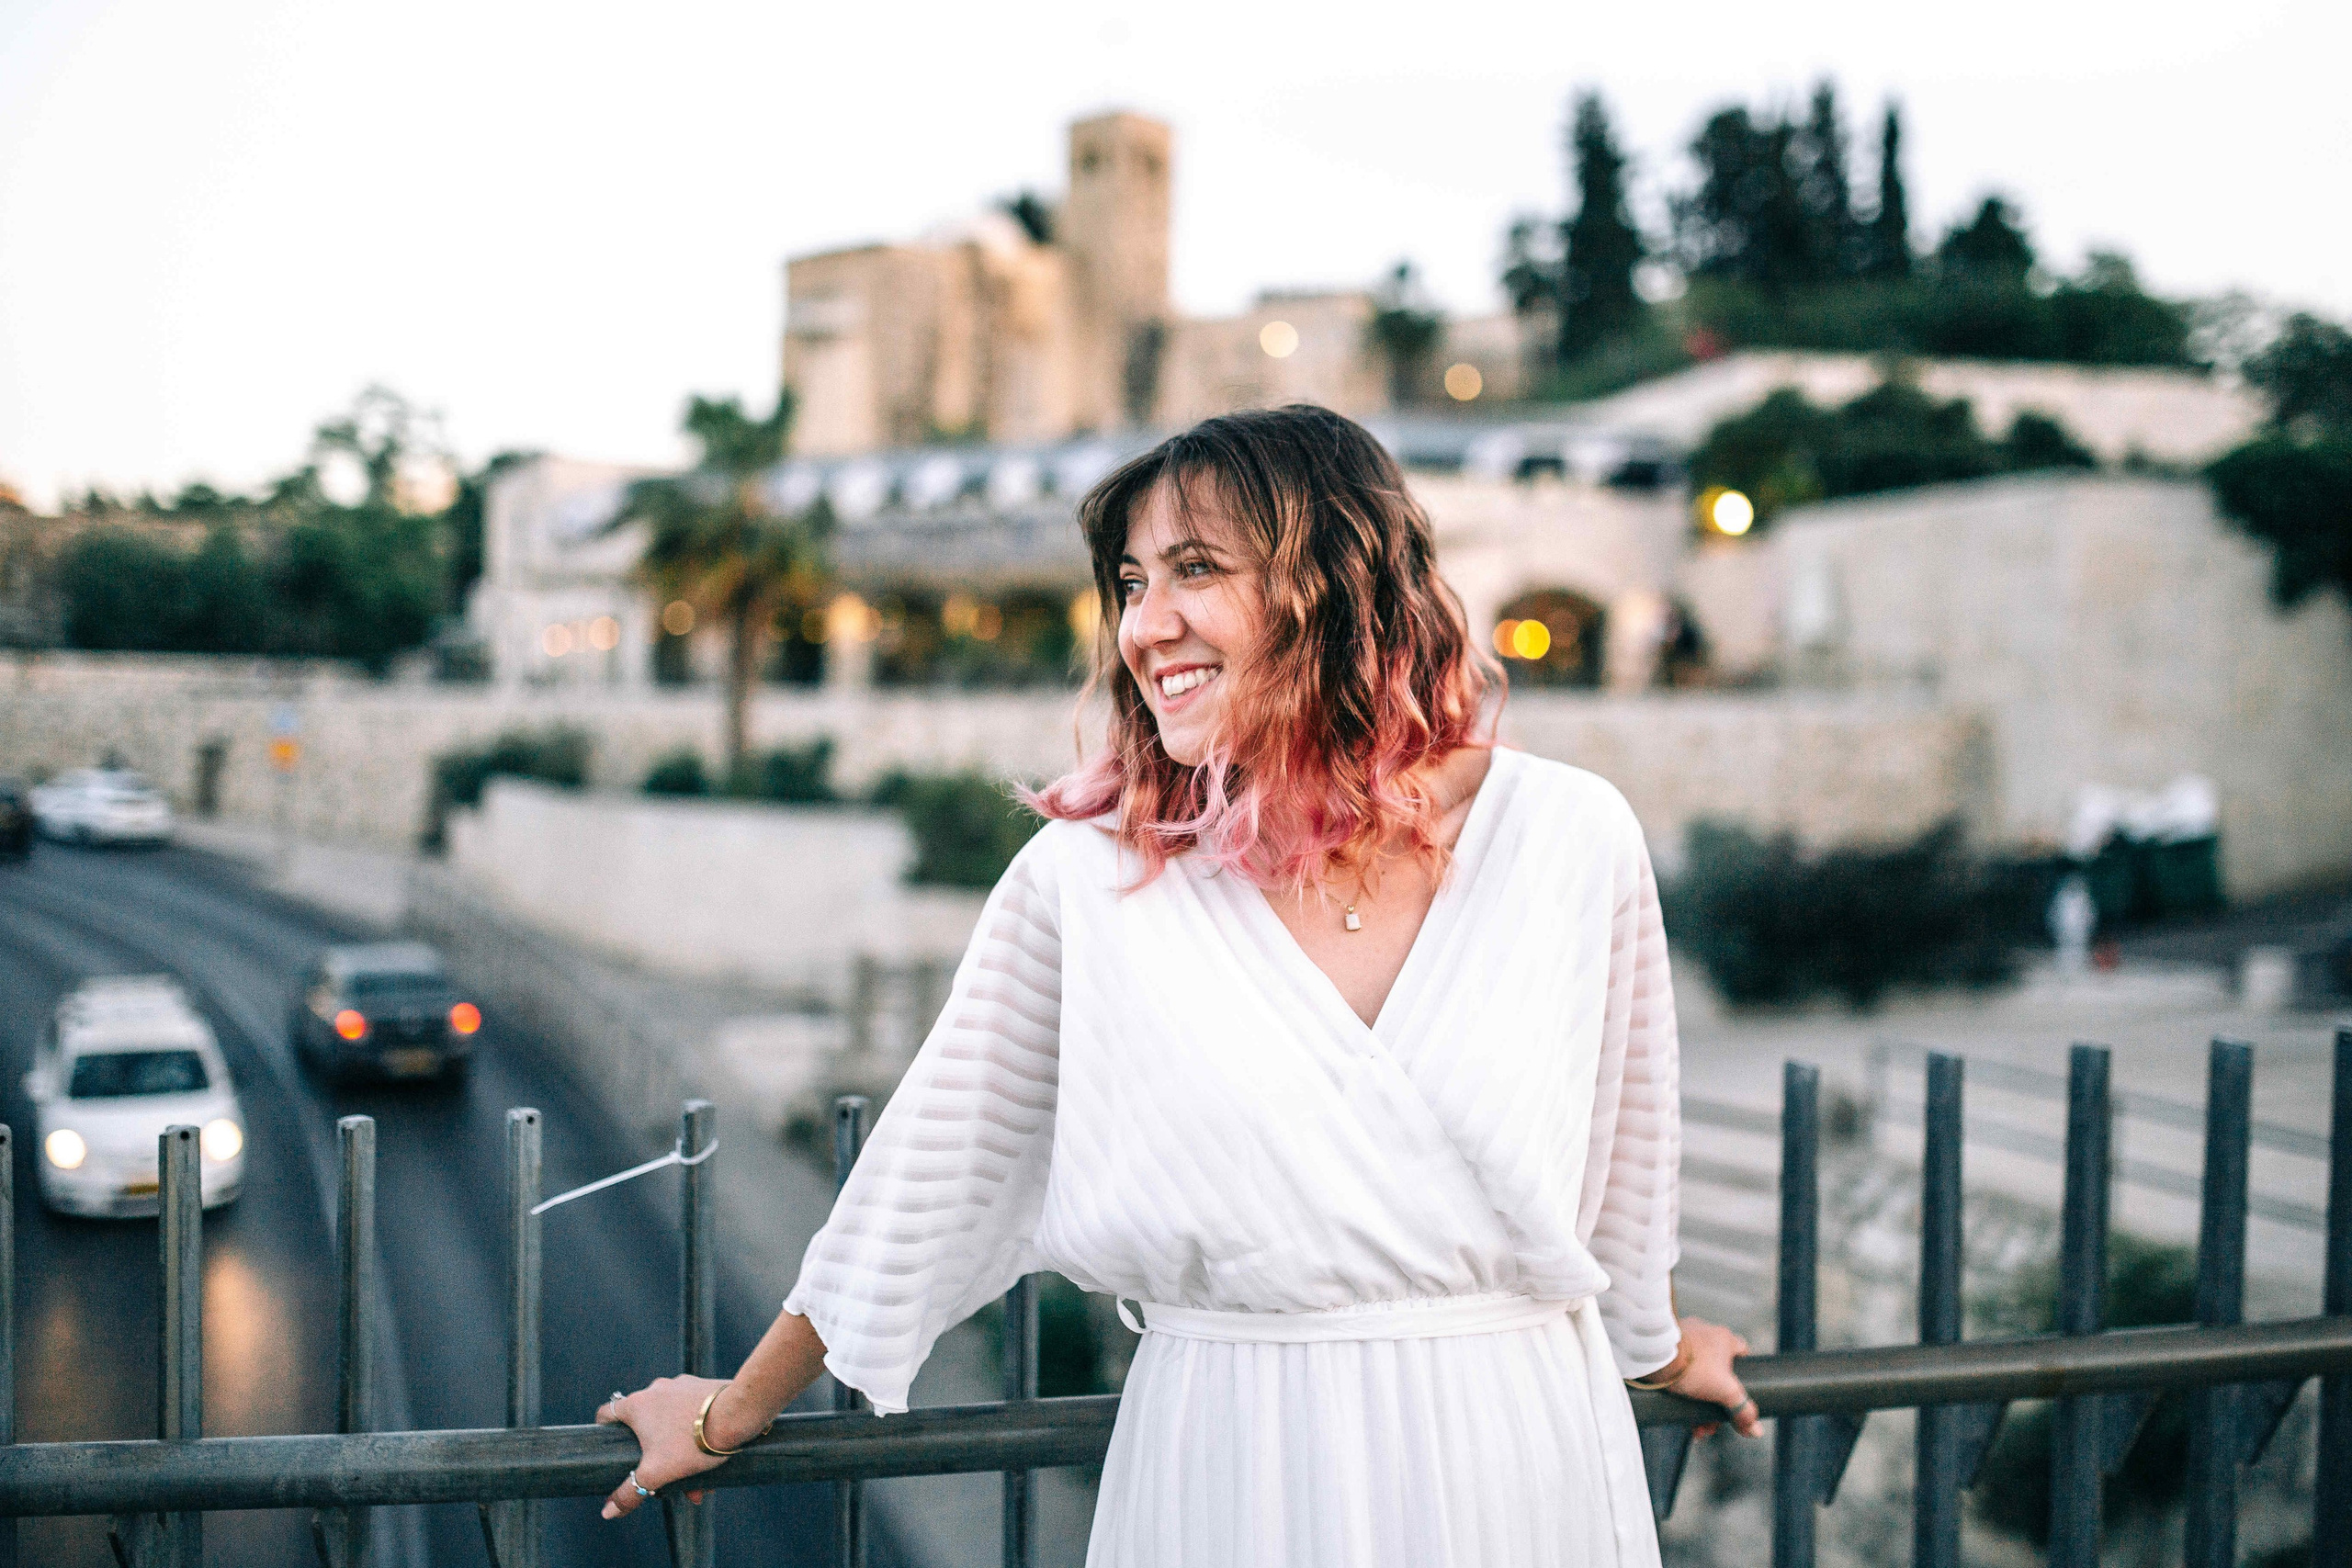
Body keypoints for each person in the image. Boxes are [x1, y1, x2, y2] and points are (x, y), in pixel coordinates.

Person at [599, 406, 1758, 1565]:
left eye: (1195, 570)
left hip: (1520, 1460)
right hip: (1230, 1463)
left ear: (1336, 581)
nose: (1145, 627)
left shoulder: (1570, 834)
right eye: (1129, 582)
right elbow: (931, 1166)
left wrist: (1657, 1349)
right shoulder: (1087, 877)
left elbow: (1628, 1153)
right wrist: (729, 1412)